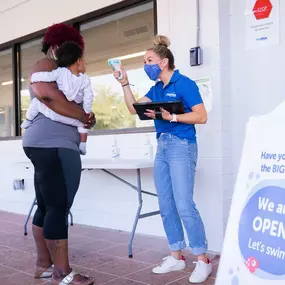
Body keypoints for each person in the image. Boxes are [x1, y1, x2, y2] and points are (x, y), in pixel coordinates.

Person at [113, 35, 212, 283]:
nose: (146, 65)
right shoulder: (156, 89)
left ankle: (202, 260)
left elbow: (201, 116)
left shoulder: (184, 83)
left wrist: (173, 118)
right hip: (163, 147)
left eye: (149, 60)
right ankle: (176, 256)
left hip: (181, 146)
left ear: (164, 62)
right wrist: (124, 83)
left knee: (184, 204)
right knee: (166, 205)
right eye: (145, 61)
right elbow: (133, 109)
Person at [22, 23, 95, 285]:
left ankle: (44, 266)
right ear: (55, 46)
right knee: (58, 206)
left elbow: (67, 103)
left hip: (47, 144)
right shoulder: (47, 64)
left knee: (46, 205)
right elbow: (47, 96)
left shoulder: (63, 73)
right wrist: (83, 115)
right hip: (54, 145)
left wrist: (87, 117)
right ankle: (62, 273)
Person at [21, 41, 94, 155]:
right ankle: (83, 145)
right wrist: (86, 114)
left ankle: (27, 121)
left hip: (55, 117)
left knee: (35, 103)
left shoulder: (60, 72)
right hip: (64, 130)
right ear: (79, 61)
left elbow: (47, 77)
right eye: (84, 60)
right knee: (82, 125)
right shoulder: (85, 79)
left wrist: (33, 77)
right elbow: (89, 98)